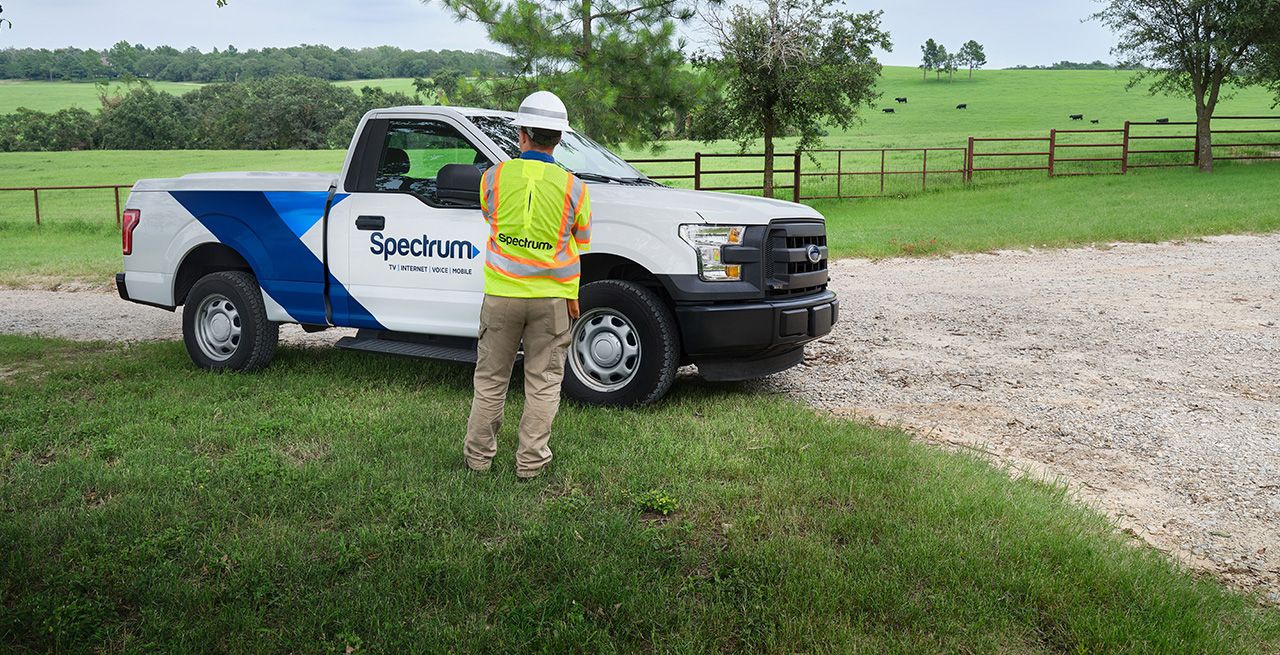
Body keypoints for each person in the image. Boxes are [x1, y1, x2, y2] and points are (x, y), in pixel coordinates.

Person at [463, 91, 592, 480]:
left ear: (521, 134)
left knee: (490, 380)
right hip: (552, 301)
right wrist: (571, 296)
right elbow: (580, 242)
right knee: (544, 382)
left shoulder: (494, 177)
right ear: (560, 139)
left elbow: (490, 214)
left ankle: (477, 460)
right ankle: (531, 465)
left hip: (501, 297)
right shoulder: (575, 188)